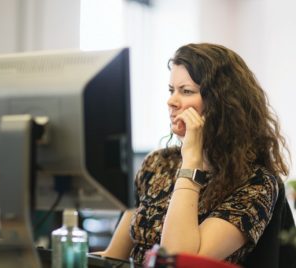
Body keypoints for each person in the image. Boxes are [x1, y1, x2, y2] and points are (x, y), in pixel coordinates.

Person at [96, 43, 291, 265]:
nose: (171, 101)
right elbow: (113, 257)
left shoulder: (256, 183)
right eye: (171, 90)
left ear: (222, 104)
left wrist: (191, 162)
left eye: (186, 91)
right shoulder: (157, 163)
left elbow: (178, 260)